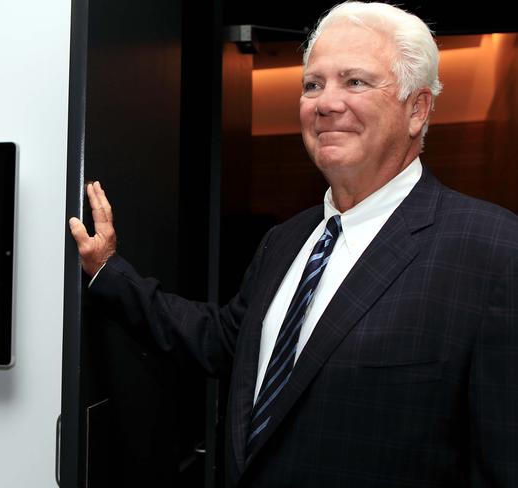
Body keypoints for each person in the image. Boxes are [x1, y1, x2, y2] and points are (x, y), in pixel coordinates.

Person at [69, 2, 518, 486]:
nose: (326, 103)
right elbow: (220, 342)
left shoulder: (494, 252)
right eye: (313, 84)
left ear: (418, 110)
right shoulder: (285, 241)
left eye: (355, 82)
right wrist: (108, 270)